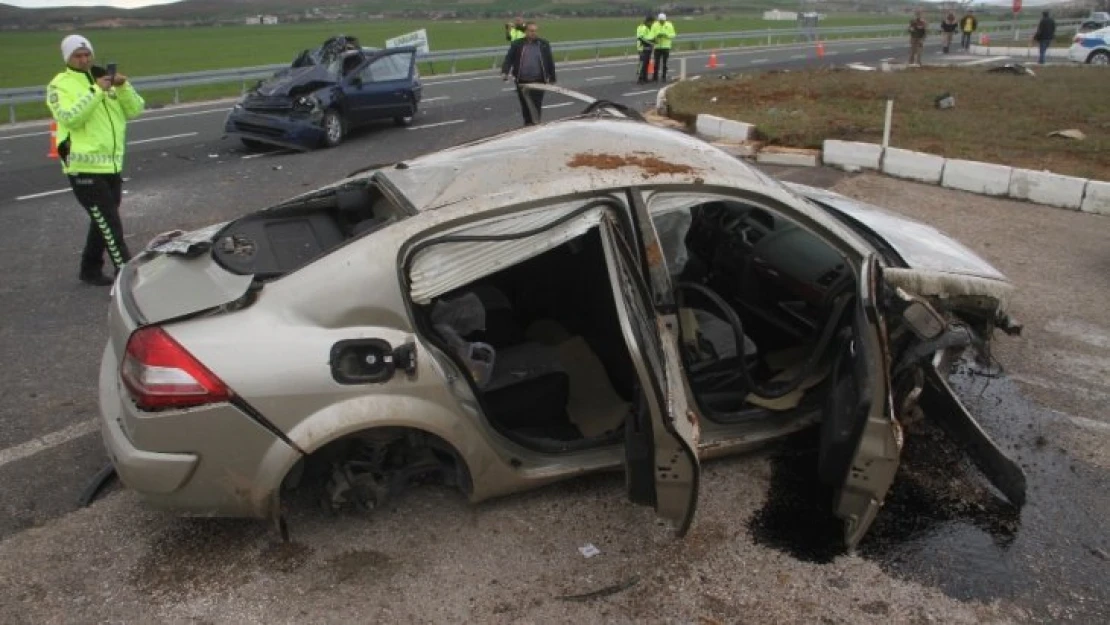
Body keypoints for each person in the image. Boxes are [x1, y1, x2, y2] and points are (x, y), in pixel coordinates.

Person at [46, 34, 144, 286]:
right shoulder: (60, 85)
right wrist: (96, 91)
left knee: (102, 220)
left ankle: (89, 270)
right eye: (77, 56)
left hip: (110, 165)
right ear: (67, 58)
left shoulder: (103, 79)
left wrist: (123, 86)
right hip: (82, 166)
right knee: (111, 224)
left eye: (87, 54)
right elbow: (70, 117)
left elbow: (135, 110)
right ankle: (128, 278)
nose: (84, 59)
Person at [501, 22, 556, 127]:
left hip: (539, 80)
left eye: (535, 31)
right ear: (526, 32)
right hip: (522, 80)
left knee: (536, 104)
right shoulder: (517, 44)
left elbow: (549, 61)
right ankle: (527, 124)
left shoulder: (543, 44)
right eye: (531, 31)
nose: (534, 33)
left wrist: (552, 77)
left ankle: (536, 124)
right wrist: (505, 72)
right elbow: (509, 59)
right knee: (525, 105)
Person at [649, 12, 676, 82]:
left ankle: (664, 76)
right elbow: (651, 35)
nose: (661, 22)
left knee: (665, 63)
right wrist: (656, 36)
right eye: (660, 21)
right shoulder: (655, 25)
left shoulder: (669, 25)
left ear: (665, 20)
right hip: (657, 47)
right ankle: (655, 77)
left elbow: (673, 34)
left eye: (662, 21)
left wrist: (666, 35)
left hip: (666, 47)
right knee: (656, 63)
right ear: (658, 20)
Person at [636, 15, 655, 84]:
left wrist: (653, 41)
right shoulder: (643, 27)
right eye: (652, 22)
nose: (652, 24)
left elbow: (649, 36)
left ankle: (645, 77)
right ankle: (640, 78)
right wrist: (650, 43)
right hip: (643, 48)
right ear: (648, 22)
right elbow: (641, 38)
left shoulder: (648, 27)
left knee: (646, 63)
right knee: (642, 63)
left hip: (648, 47)